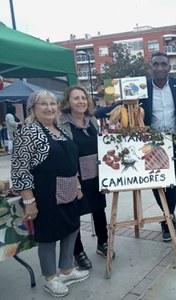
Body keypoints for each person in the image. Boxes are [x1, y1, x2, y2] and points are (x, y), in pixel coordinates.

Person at [11, 90, 89, 297]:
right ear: (33, 109)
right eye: (43, 104)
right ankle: (50, 278)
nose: (49, 108)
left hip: (69, 189)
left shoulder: (60, 129)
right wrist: (29, 200)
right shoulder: (28, 132)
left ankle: (66, 270)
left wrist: (78, 186)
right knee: (48, 235)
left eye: (53, 103)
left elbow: (72, 162)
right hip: (45, 193)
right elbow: (20, 169)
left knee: (71, 228)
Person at [59, 85, 114, 270]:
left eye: (83, 98)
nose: (81, 101)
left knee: (99, 210)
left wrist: (106, 175)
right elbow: (65, 154)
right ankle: (78, 251)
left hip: (96, 174)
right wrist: (75, 182)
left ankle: (102, 243)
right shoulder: (62, 124)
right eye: (76, 98)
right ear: (68, 101)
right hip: (75, 177)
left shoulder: (92, 121)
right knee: (75, 214)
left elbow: (101, 147)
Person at [140, 52, 176, 242]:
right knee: (156, 182)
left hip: (174, 141)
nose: (160, 68)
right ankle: (167, 217)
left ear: (169, 68)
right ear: (150, 67)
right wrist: (96, 111)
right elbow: (122, 105)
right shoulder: (142, 87)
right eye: (156, 64)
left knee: (172, 182)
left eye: (163, 64)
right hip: (151, 143)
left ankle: (168, 217)